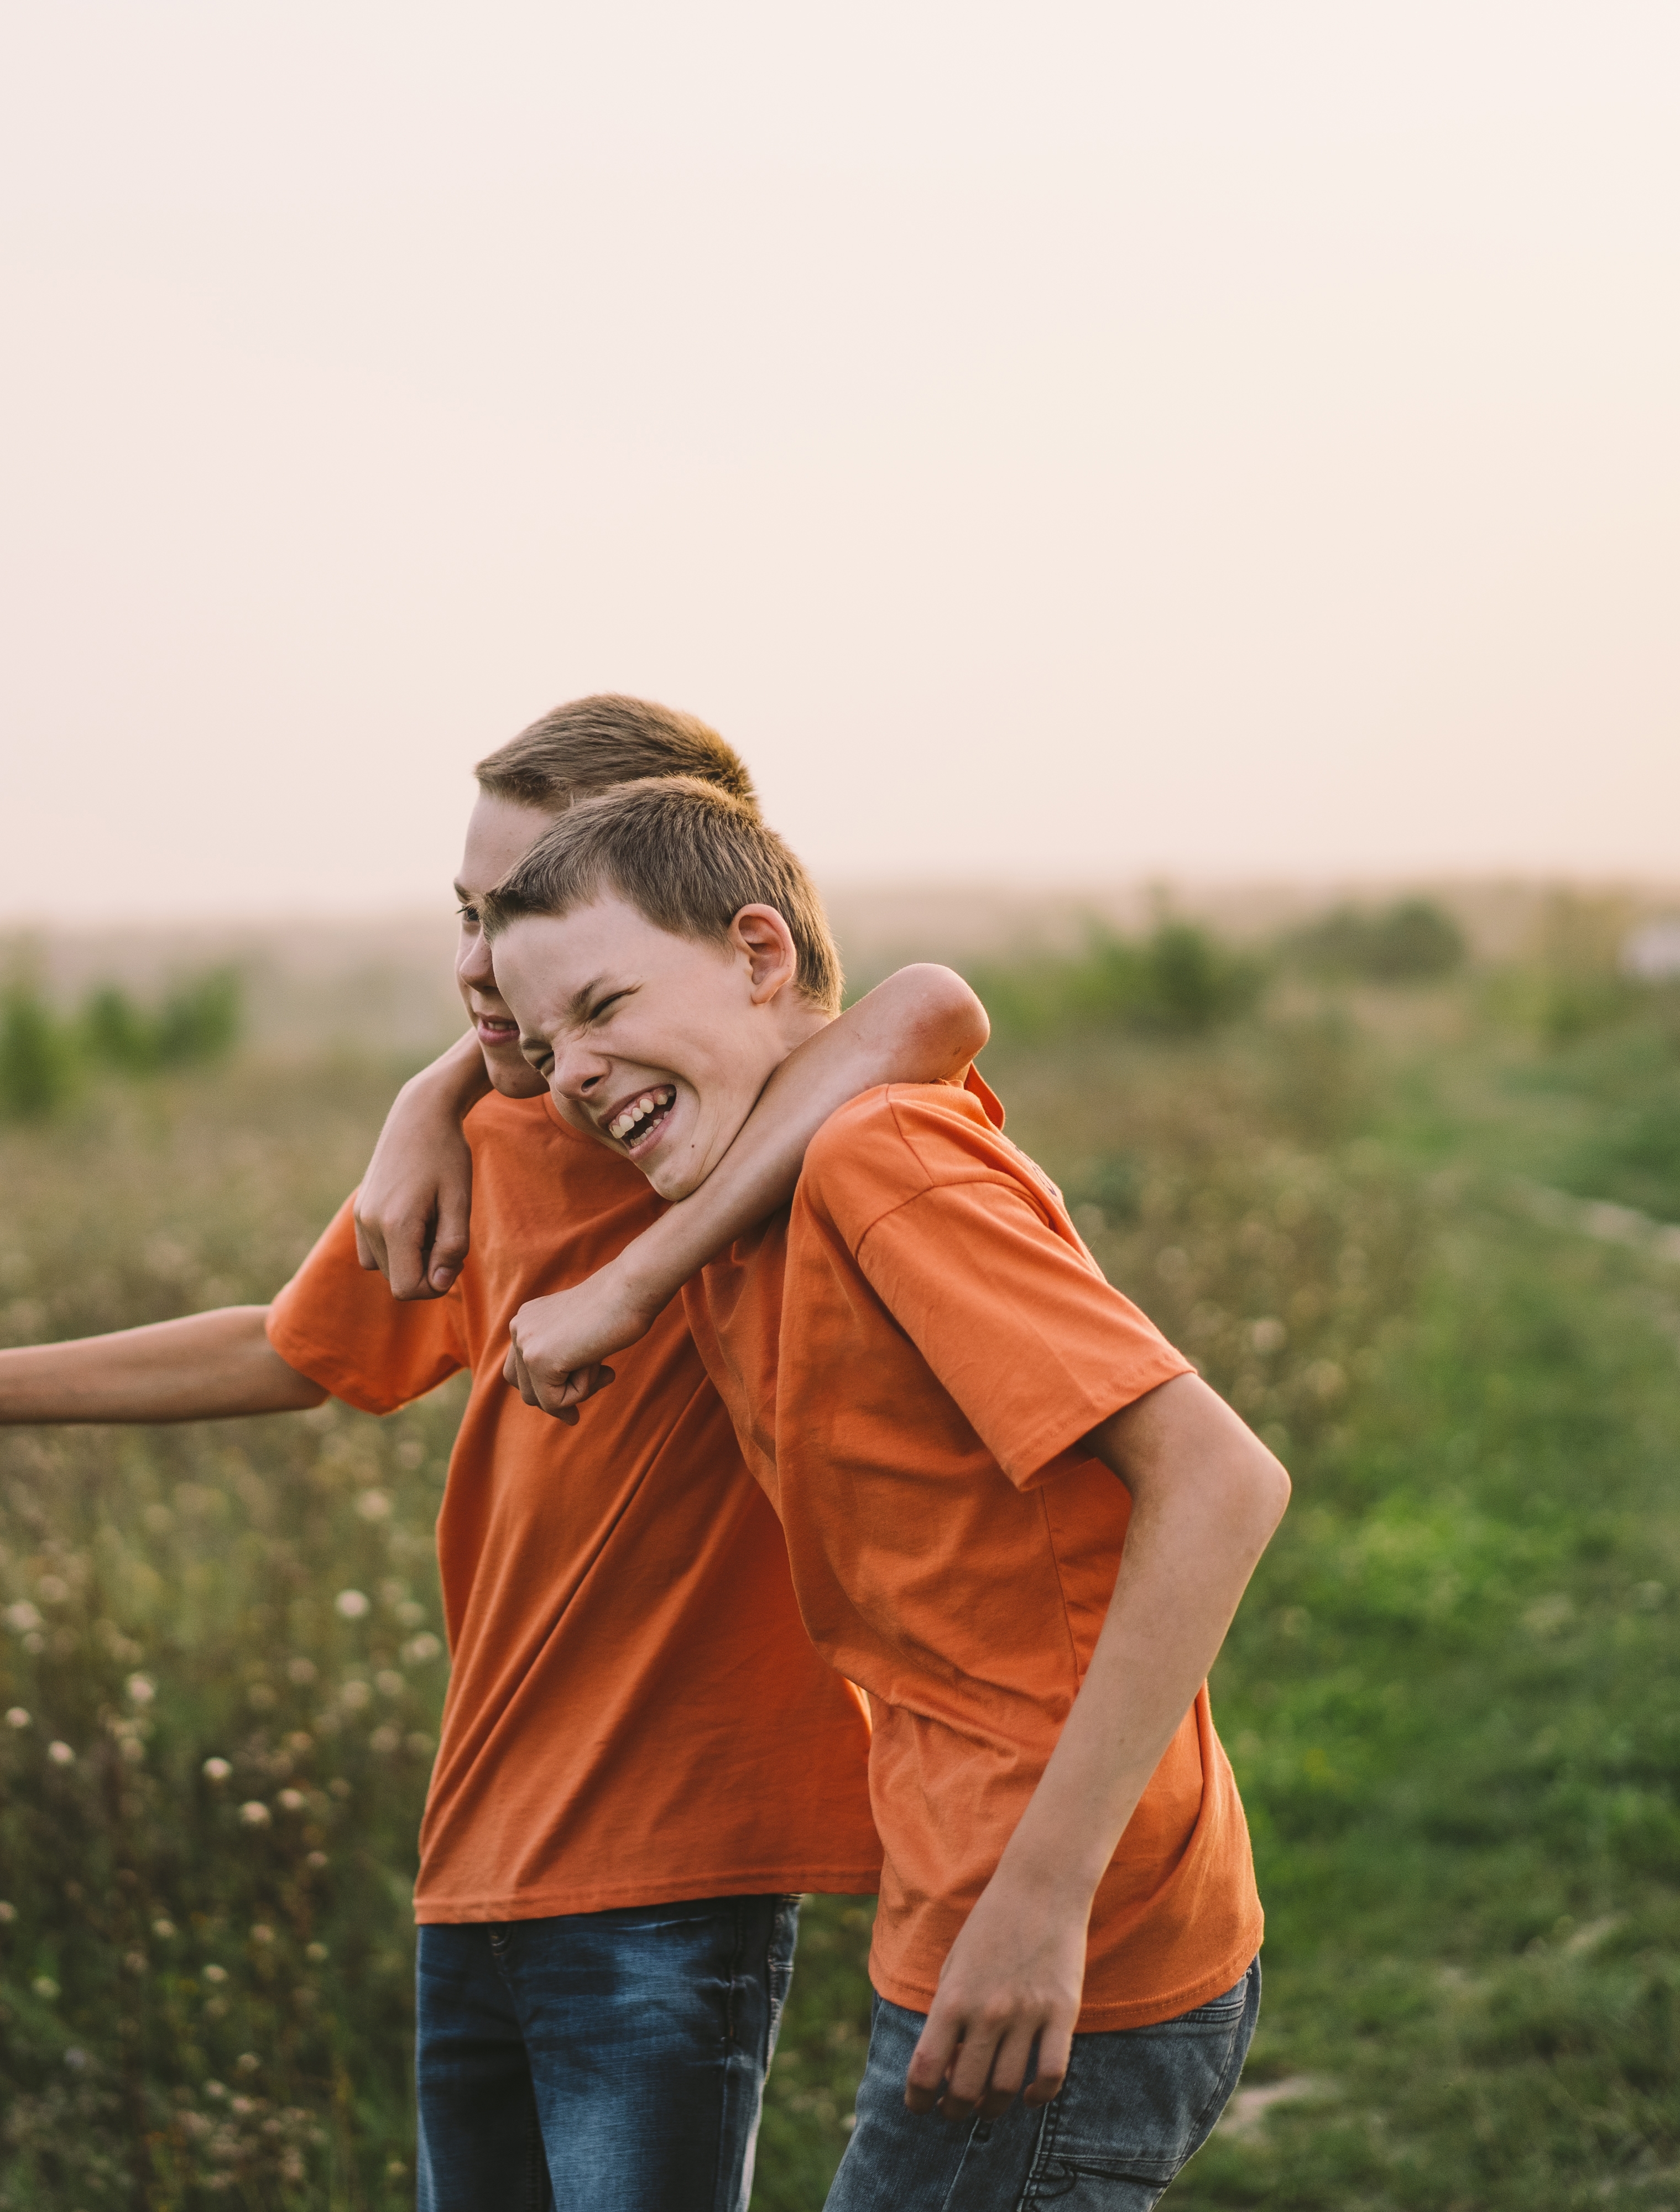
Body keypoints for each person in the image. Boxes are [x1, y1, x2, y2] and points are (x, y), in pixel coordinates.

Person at [0, 697, 992, 2210]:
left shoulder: (769, 1118)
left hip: (672, 1870)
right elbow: (295, 1344)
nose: (478, 965)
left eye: (525, 918)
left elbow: (925, 1006)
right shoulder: (517, 1147)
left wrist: (477, 1115)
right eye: (469, 917)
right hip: (476, 1854)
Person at [479, 775, 1290, 2210]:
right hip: (981, 1903)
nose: (576, 1072)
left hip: (1052, 1939)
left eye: (605, 1007)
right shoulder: (733, 1201)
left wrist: (1039, 1902)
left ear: (760, 955)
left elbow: (1221, 1479)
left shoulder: (876, 1160)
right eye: (546, 1049)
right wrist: (439, 1103)